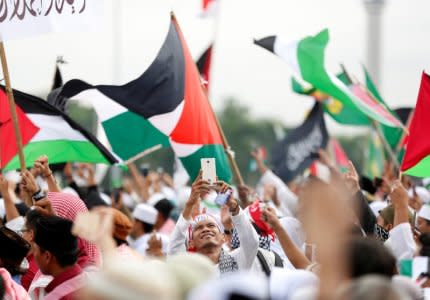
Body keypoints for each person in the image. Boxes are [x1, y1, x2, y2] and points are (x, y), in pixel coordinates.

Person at [169, 174, 269, 275]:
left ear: (223, 238)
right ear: (191, 243)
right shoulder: (189, 271)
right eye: (199, 228)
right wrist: (190, 203)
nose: (206, 229)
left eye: (211, 226)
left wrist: (232, 205)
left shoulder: (237, 261)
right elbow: (174, 249)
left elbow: (251, 241)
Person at [32, 215, 86, 300]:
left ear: (47, 256)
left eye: (35, 250)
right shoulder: (91, 284)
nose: (34, 255)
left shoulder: (56, 297)